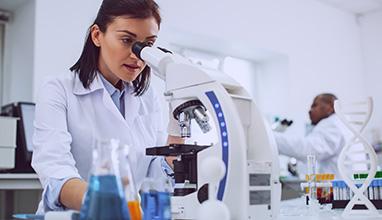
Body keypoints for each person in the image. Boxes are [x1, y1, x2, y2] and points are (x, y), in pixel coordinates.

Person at [31, 0, 181, 214]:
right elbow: (56, 174)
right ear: (97, 36)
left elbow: (152, 174)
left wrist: (176, 133)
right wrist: (106, 204)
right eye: (127, 40)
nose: (138, 56)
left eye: (147, 46)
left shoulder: (148, 98)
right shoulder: (57, 89)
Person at [274, 93, 351, 176]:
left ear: (330, 107)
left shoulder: (332, 124)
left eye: (314, 106)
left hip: (341, 185)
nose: (310, 110)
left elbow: (308, 150)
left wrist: (272, 138)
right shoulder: (343, 123)